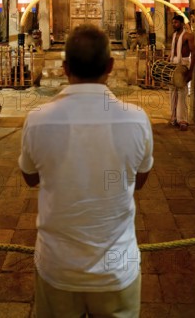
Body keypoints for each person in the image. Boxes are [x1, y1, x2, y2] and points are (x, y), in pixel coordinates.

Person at [18, 24, 154, 317]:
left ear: (65, 68)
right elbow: (140, 179)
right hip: (116, 268)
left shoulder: (38, 120)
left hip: (58, 266)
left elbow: (30, 177)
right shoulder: (137, 120)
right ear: (110, 66)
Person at [168, 14, 195, 131]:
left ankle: (183, 119)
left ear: (181, 23)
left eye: (176, 23)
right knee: (172, 91)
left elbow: (193, 54)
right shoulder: (174, 35)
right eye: (173, 22)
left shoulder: (188, 36)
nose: (174, 25)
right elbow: (173, 51)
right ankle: (174, 117)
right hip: (173, 64)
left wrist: (190, 71)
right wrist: (168, 59)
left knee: (182, 91)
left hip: (183, 65)